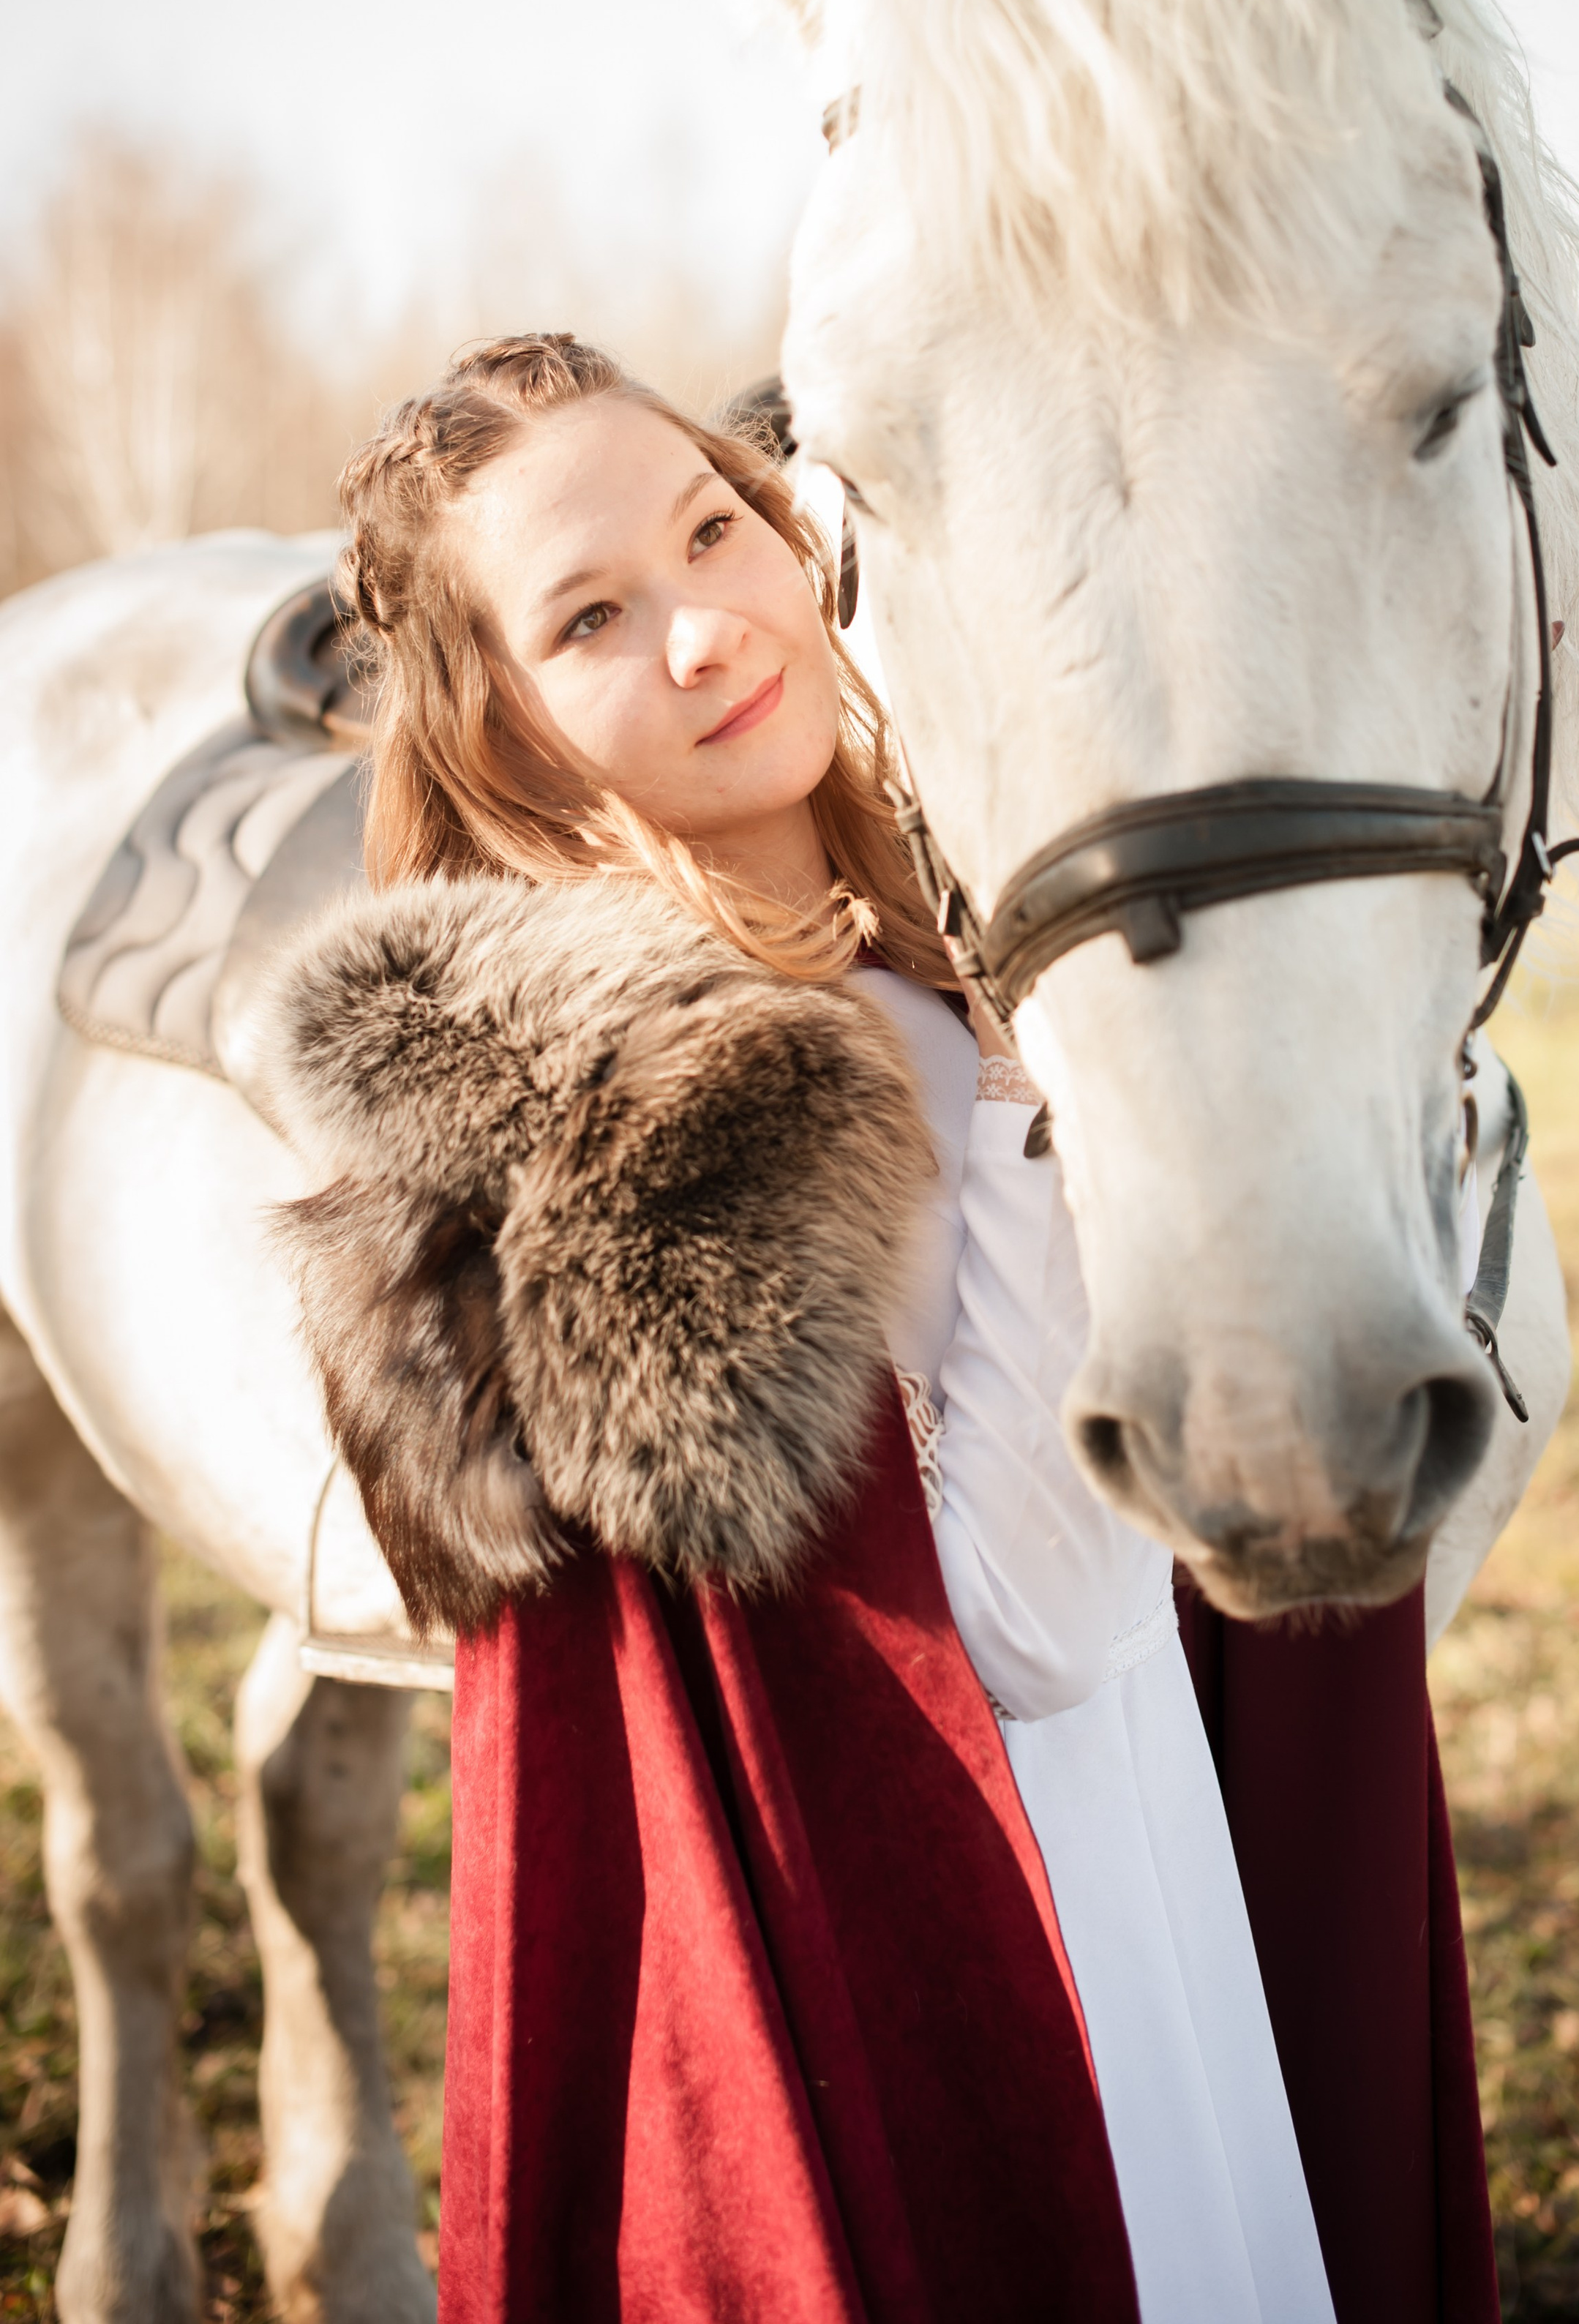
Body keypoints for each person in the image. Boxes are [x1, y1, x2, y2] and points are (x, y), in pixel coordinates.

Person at [263, 331, 1338, 2323]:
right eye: (591, 618)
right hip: (998, 1943)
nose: (704, 631)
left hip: (1150, 1852)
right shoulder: (662, 1124)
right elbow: (1029, 1630)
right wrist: (1026, 1087)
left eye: (710, 530)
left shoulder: (931, 942)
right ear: (505, 739)